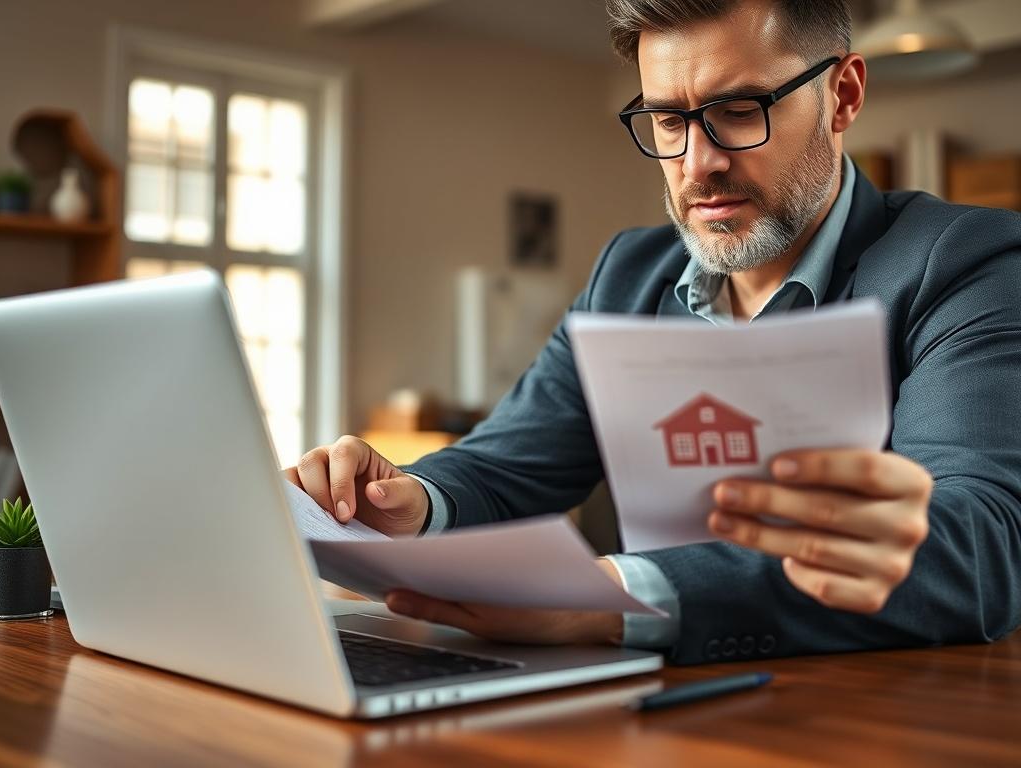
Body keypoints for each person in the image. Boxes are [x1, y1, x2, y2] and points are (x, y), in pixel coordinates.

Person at [285, 0, 1021, 664]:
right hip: (655, 718)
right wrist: (406, 501)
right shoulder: (628, 273)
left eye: (740, 109)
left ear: (843, 95)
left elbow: (980, 550)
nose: (699, 163)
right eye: (669, 120)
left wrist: (614, 597)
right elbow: (507, 466)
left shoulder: (965, 262)